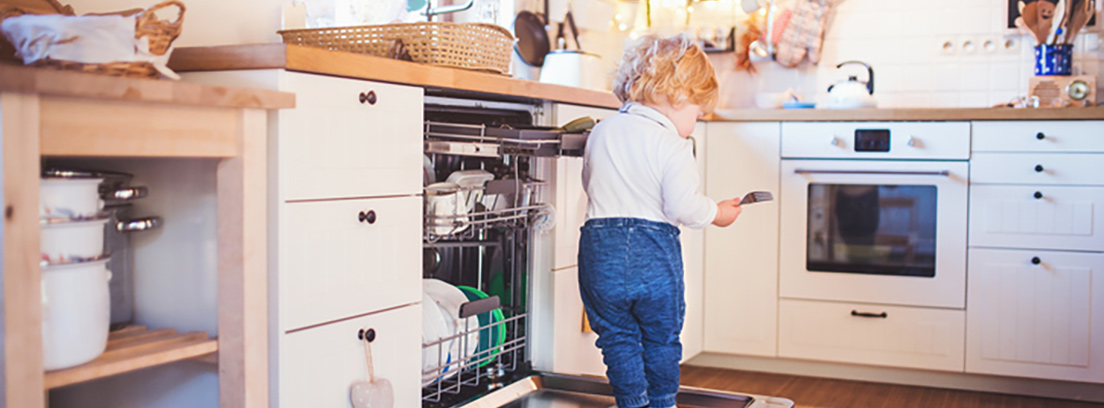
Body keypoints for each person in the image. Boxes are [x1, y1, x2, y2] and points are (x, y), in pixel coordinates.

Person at [577, 34, 743, 408]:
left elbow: (589, 184)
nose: (695, 126)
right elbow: (684, 206)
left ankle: (633, 402)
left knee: (616, 337)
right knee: (660, 337)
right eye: (698, 115)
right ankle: (663, 402)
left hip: (599, 250)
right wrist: (718, 213)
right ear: (679, 94)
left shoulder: (602, 131)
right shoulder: (673, 145)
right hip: (653, 254)